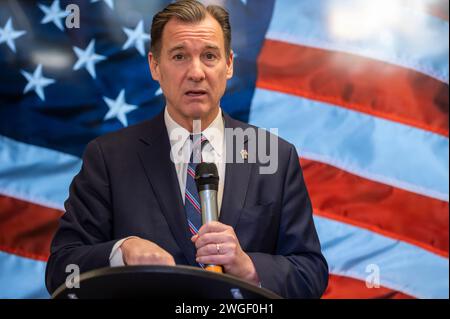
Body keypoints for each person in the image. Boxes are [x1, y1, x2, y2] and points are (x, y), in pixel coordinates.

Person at [45, 0, 328, 298]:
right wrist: (121, 251)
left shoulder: (274, 155)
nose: (196, 72)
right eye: (179, 56)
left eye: (209, 56)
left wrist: (248, 267)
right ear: (155, 66)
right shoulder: (109, 157)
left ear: (229, 64)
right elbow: (62, 270)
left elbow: (311, 273)